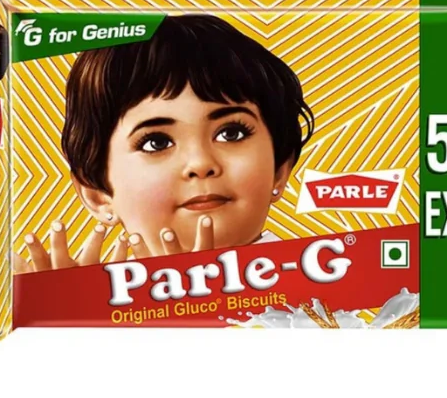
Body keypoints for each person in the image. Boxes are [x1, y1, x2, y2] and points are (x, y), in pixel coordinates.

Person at [17, 14, 315, 272]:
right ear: (98, 195)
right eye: (156, 143)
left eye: (231, 133)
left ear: (279, 170)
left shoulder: (325, 300)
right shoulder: (84, 312)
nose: (201, 163)